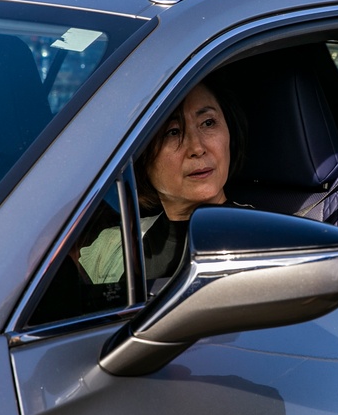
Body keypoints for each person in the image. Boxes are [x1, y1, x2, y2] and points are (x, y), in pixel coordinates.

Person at [79, 76, 247, 290]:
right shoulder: (111, 247)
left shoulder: (266, 239)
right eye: (173, 131)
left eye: (208, 123)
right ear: (140, 156)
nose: (197, 147)